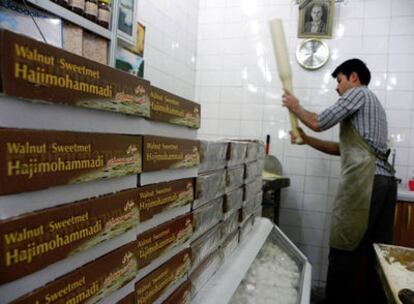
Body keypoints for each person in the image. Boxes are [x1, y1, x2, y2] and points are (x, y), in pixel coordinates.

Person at [282, 59, 396, 304]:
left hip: (366, 182)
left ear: (354, 77)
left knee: (344, 248)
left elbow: (319, 121)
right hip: (384, 182)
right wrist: (307, 139)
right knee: (375, 254)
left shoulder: (358, 93)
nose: (337, 87)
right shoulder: (373, 105)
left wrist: (295, 106)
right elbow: (343, 149)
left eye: (340, 80)